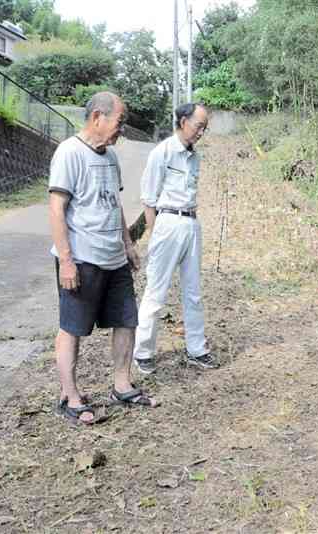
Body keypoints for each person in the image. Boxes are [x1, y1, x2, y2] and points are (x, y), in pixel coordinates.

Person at [49, 92, 158, 424]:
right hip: (82, 259)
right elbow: (56, 209)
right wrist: (66, 260)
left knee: (126, 320)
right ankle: (70, 396)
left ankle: (122, 384)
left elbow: (114, 204)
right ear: (98, 117)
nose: (121, 130)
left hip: (114, 257)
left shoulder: (110, 157)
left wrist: (128, 244)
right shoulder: (69, 153)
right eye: (119, 122)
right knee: (73, 328)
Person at [133, 102, 216, 374]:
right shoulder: (163, 152)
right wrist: (154, 232)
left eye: (204, 127)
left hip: (191, 223)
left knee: (193, 292)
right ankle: (143, 351)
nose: (201, 132)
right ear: (182, 121)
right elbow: (148, 197)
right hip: (167, 222)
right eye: (198, 126)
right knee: (156, 291)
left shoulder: (195, 157)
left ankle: (197, 349)